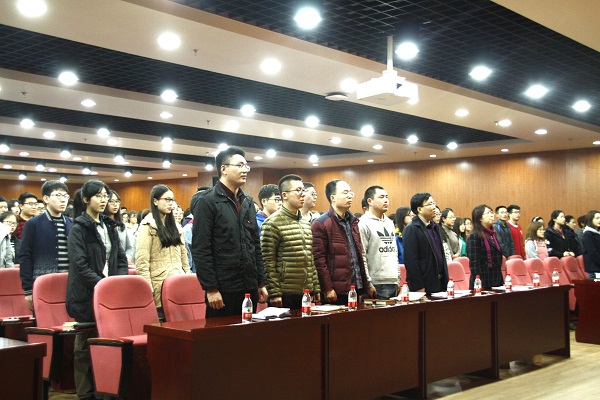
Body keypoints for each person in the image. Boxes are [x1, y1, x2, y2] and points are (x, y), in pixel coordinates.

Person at [66, 180, 128, 400]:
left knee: (107, 344)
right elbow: (80, 265)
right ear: (86, 199)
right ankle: (85, 394)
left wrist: (116, 283)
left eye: (105, 196)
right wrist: (103, 285)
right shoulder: (78, 228)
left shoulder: (109, 225)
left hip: (108, 292)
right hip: (86, 293)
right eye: (98, 196)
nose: (103, 200)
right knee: (84, 345)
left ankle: (106, 390)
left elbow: (120, 258)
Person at [192, 146, 268, 318]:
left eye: (246, 166)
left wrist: (260, 282)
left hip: (248, 286)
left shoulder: (247, 202)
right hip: (223, 288)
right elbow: (201, 248)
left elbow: (255, 245)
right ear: (224, 169)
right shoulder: (208, 202)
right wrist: (211, 288)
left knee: (247, 332)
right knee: (222, 334)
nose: (245, 170)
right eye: (240, 165)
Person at [261, 174, 320, 308]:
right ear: (285, 195)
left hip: (305, 292)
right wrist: (274, 293)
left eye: (303, 190)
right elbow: (267, 262)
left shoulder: (305, 223)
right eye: (298, 190)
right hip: (284, 292)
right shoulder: (272, 223)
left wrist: (315, 287)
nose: (303, 194)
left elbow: (310, 259)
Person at [312, 179, 371, 304]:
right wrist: (327, 287)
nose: (350, 196)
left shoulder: (353, 221)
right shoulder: (321, 223)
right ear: (333, 197)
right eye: (345, 193)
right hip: (336, 290)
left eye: (350, 192)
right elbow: (319, 260)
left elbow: (358, 255)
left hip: (356, 287)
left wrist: (366, 284)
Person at [136, 184, 190, 318]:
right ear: (155, 201)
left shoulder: (176, 226)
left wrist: (188, 278)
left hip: (179, 282)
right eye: (167, 199)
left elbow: (184, 258)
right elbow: (142, 262)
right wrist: (148, 288)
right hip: (159, 284)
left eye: (172, 200)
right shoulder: (147, 226)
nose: (171, 203)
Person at [19, 181, 71, 309]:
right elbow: (25, 256)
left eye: (65, 196)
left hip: (69, 283)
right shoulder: (33, 224)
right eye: (58, 195)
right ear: (46, 199)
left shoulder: (71, 223)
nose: (63, 200)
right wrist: (28, 289)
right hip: (44, 283)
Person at [401, 192, 448, 294]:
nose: (434, 207)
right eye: (430, 204)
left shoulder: (435, 227)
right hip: (424, 285)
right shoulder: (412, 229)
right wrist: (418, 286)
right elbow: (411, 261)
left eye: (434, 203)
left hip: (439, 283)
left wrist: (445, 282)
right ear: (419, 209)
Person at [358, 186, 400, 299]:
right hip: (376, 282)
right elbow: (362, 255)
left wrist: (397, 278)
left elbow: (394, 252)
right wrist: (367, 282)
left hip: (393, 280)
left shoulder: (389, 223)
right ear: (370, 201)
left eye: (387, 197)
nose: (386, 200)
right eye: (381, 197)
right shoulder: (363, 223)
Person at [467, 205, 504, 289]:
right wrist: (480, 283)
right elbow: (474, 264)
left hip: (496, 280)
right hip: (482, 282)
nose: (492, 215)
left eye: (492, 212)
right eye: (488, 213)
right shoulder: (474, 236)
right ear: (480, 218)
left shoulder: (493, 234)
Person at [103, 190, 134, 263]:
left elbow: (129, 248)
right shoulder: (102, 224)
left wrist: (127, 257)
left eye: (117, 201)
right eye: (111, 201)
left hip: (122, 263)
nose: (115, 204)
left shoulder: (121, 225)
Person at [582, 210, 600, 279]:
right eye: (597, 218)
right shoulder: (587, 234)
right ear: (590, 220)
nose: (599, 220)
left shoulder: (598, 233)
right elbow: (592, 252)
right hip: (594, 269)